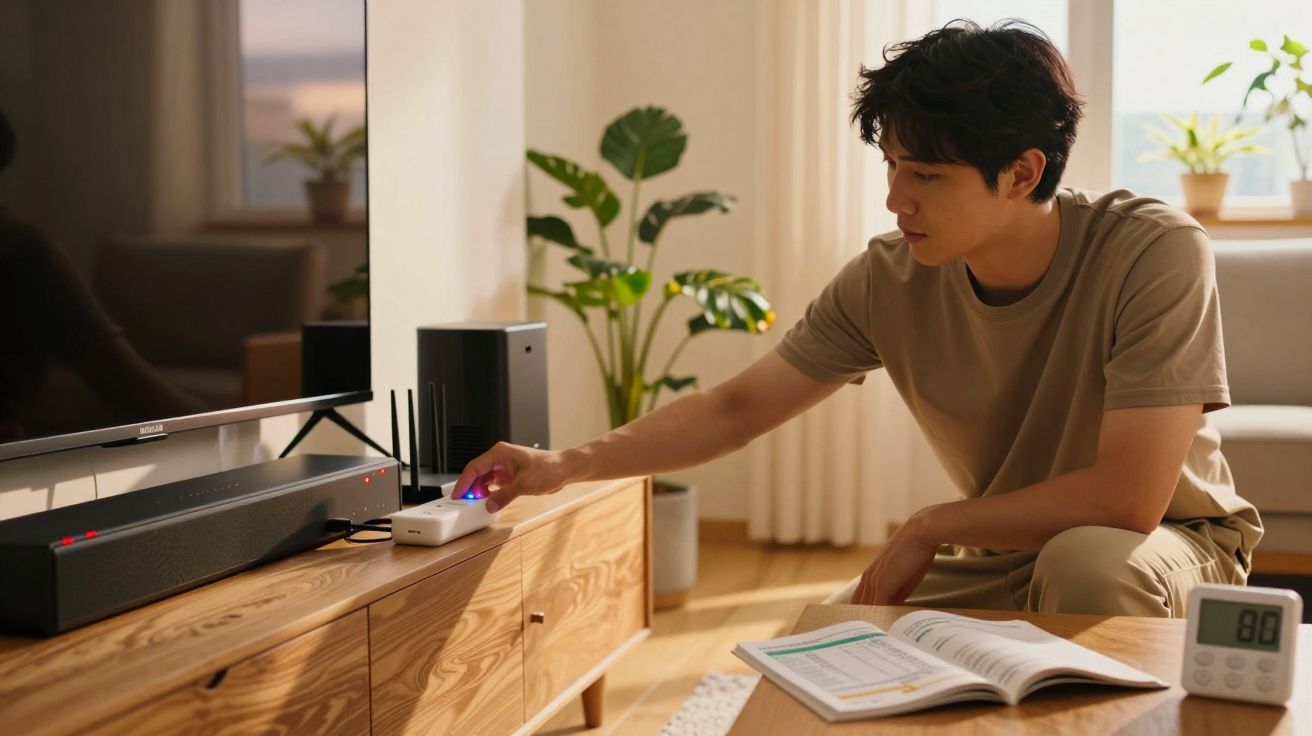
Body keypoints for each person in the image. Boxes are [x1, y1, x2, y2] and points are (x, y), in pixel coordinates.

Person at [453, 20, 1261, 617]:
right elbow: (737, 409)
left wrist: (931, 523)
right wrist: (563, 464)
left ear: (1022, 173)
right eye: (889, 166)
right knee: (824, 640)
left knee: (1086, 567)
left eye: (927, 175)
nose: (894, 198)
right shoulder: (888, 277)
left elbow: (1129, 499)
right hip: (1001, 556)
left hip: (1161, 549)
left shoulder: (1151, 249)